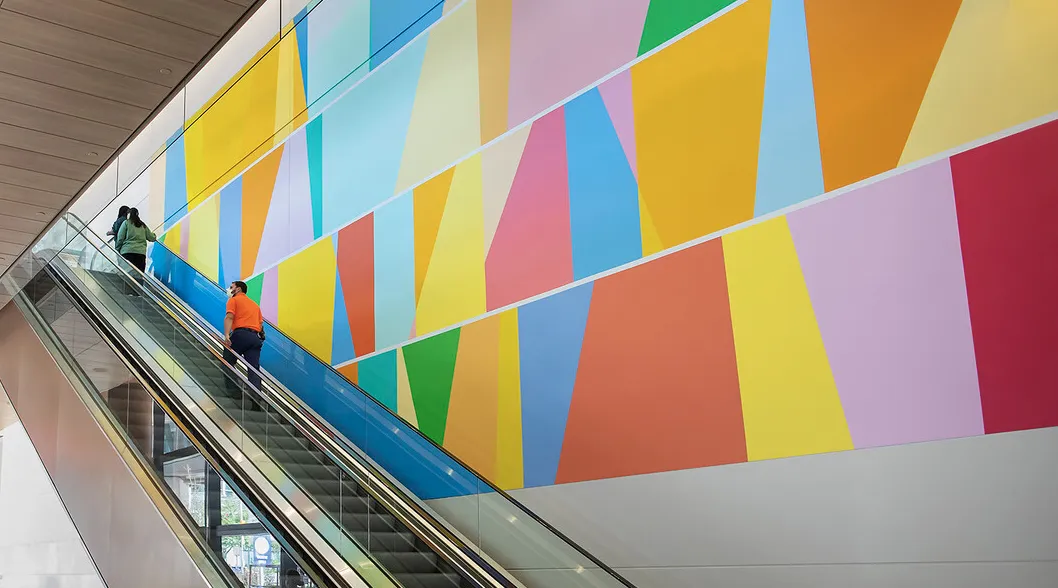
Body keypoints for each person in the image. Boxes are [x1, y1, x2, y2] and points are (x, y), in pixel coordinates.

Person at [223, 280, 265, 391]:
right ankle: (256, 398)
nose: (229, 289)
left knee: (227, 361)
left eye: (231, 287)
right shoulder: (255, 305)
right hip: (255, 338)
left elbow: (229, 317)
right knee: (254, 369)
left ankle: (234, 392)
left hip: (240, 335)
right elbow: (260, 325)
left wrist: (227, 334)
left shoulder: (233, 300)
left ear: (238, 289)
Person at [114, 207, 156, 274]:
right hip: (140, 254)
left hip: (127, 252)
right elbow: (151, 237)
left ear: (129, 214)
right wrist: (154, 235)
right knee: (139, 275)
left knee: (127, 275)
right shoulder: (142, 225)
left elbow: (120, 238)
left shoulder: (126, 223)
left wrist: (117, 249)